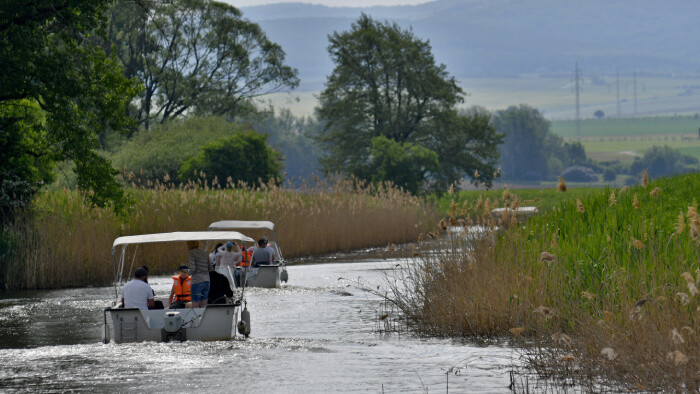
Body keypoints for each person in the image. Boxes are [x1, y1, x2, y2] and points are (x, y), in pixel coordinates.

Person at [187, 240, 212, 308]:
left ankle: (197, 318)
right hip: (207, 281)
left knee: (195, 305)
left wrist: (187, 273)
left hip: (197, 281)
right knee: (204, 304)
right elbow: (211, 268)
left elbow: (192, 269)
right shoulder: (205, 253)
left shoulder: (191, 253)